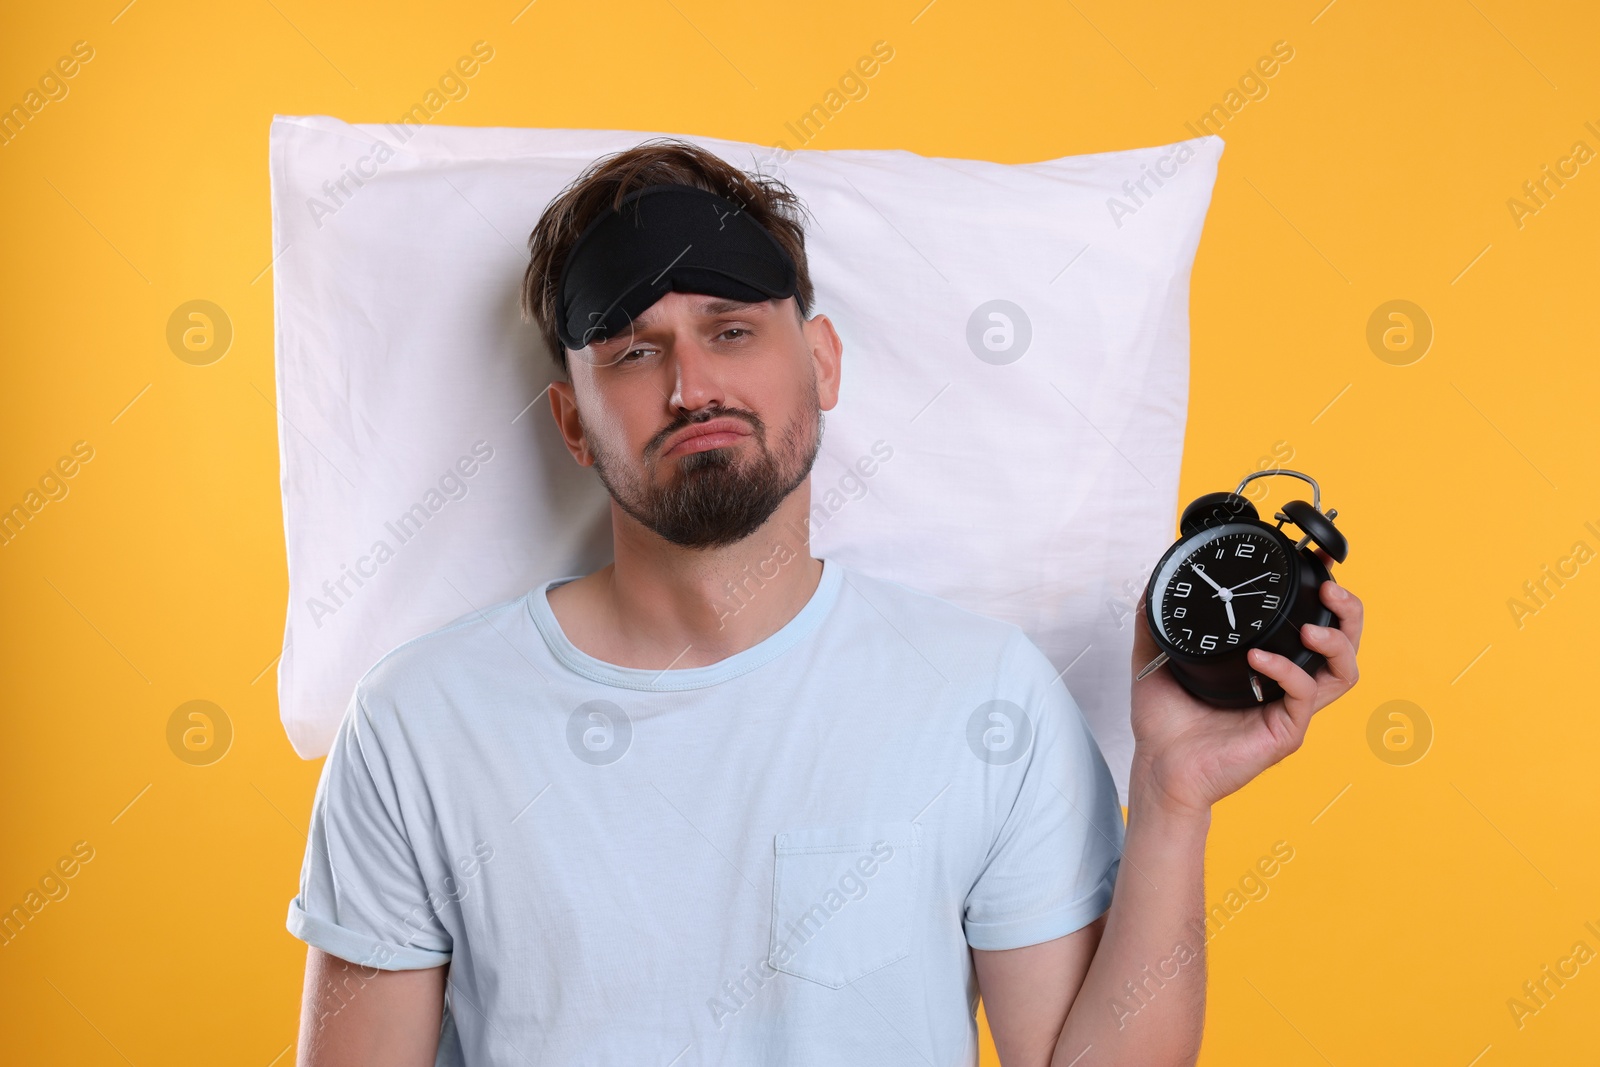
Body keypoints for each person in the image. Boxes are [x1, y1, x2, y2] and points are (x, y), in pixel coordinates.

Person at [287, 139, 1363, 1067]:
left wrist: (1172, 797)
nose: (689, 384)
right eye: (632, 350)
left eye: (732, 328)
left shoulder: (982, 697)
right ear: (572, 424)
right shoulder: (420, 723)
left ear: (823, 361)